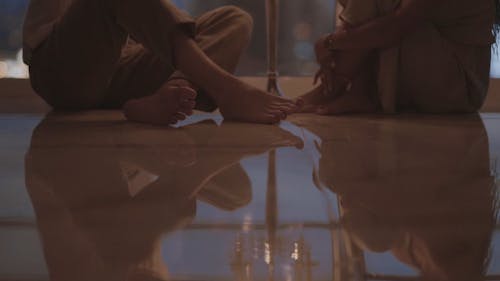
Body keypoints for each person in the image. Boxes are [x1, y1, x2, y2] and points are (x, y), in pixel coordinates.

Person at [23, 0, 300, 125]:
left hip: (123, 64)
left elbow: (153, 16)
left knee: (235, 18)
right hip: (62, 67)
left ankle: (176, 88)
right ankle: (226, 89)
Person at [298, 0, 496, 115]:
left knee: (386, 4)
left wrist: (330, 42)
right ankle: (359, 89)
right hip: (438, 70)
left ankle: (334, 87)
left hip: (460, 87)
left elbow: (398, 26)